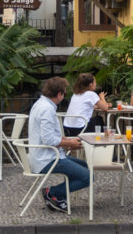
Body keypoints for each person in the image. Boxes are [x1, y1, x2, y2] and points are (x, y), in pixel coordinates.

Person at [29, 76, 89, 212]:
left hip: (43, 155)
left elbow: (46, 134)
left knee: (84, 166)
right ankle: (54, 193)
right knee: (88, 176)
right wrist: (69, 143)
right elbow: (48, 140)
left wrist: (65, 141)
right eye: (65, 92)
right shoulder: (47, 109)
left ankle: (59, 196)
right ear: (59, 94)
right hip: (47, 159)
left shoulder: (40, 104)